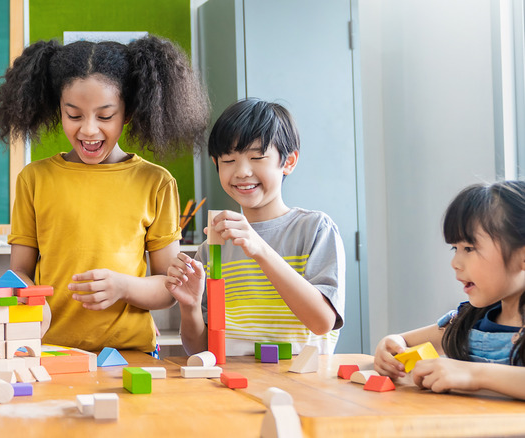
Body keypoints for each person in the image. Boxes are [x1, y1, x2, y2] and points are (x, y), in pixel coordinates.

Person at [0, 36, 209, 353]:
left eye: (105, 116)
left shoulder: (155, 182)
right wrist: (27, 294)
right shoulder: (35, 179)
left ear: (128, 113)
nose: (89, 130)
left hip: (131, 352)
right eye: (74, 115)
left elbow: (169, 285)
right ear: (58, 111)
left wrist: (124, 286)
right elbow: (19, 270)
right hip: (51, 350)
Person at [165, 98, 345, 356]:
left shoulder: (316, 229)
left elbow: (322, 322)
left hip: (303, 386)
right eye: (228, 160)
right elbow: (202, 350)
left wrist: (260, 249)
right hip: (233, 387)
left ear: (289, 162)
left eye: (257, 156)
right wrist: (190, 307)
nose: (241, 172)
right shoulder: (212, 248)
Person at [374, 181, 525, 399]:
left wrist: (474, 375)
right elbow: (402, 341)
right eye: (456, 248)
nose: (455, 262)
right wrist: (390, 347)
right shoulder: (467, 322)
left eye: (469, 248)